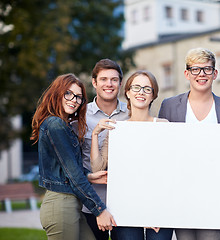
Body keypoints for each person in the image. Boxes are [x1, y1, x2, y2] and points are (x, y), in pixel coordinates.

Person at [158, 47, 220, 240]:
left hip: (214, 196)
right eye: (195, 69)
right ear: (187, 74)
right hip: (181, 195)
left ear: (215, 74)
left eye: (207, 69)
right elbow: (161, 151)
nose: (201, 74)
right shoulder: (169, 106)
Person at [30, 73, 116, 240]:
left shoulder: (64, 126)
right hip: (61, 205)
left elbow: (66, 168)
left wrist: (90, 175)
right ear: (57, 93)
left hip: (71, 205)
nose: (74, 100)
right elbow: (73, 174)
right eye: (68, 93)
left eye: (79, 97)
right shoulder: (55, 124)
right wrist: (100, 210)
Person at [91, 70, 172, 240]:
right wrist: (95, 134)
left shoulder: (164, 126)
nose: (141, 92)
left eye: (147, 89)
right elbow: (98, 167)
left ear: (153, 95)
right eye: (136, 87)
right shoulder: (117, 129)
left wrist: (156, 210)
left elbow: (169, 172)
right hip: (125, 209)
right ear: (127, 92)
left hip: (159, 209)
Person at [81, 59, 130, 240]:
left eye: (114, 79)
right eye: (103, 79)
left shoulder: (133, 113)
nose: (109, 84)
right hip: (90, 204)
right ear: (94, 82)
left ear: (120, 82)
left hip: (126, 203)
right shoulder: (81, 116)